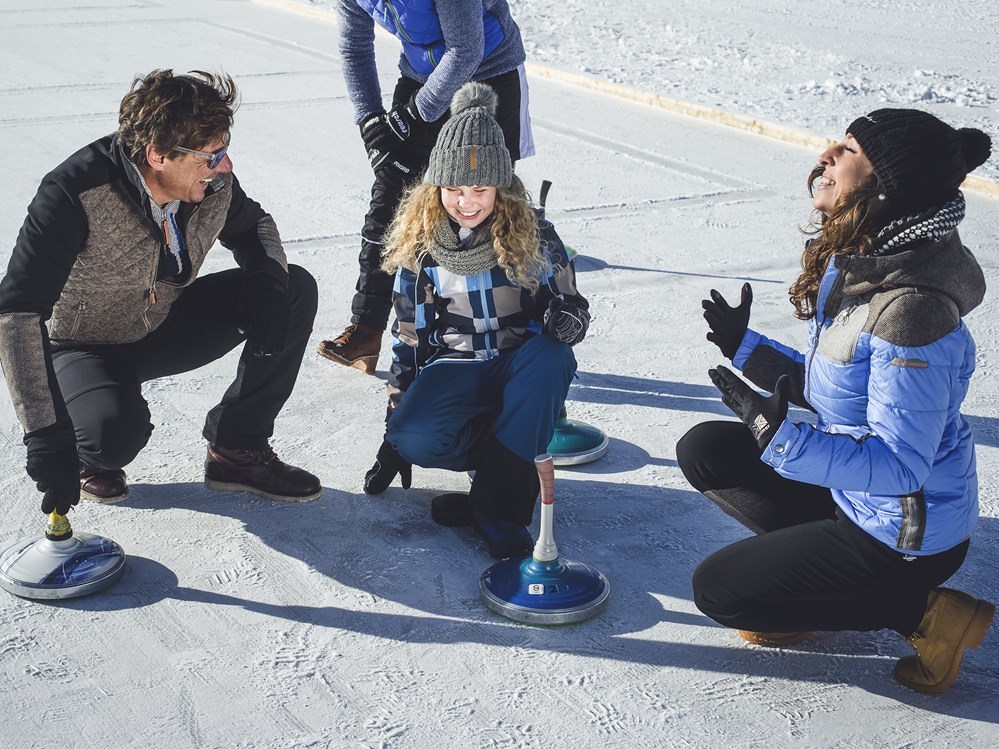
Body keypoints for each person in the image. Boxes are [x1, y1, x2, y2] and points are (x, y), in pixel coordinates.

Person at [676, 109, 994, 694]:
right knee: (707, 449)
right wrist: (747, 349)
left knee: (721, 594)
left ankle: (923, 614)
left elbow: (901, 467)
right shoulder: (866, 261)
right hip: (858, 497)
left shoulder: (913, 310)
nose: (824, 154)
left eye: (847, 149)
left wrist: (781, 438)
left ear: (885, 186)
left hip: (904, 535)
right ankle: (810, 586)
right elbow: (840, 390)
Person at [0, 69, 322, 518]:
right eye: (212, 156)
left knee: (293, 288)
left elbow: (254, 227)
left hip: (164, 319)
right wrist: (44, 435)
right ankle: (86, 453)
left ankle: (236, 450)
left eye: (224, 151)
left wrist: (267, 283)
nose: (224, 166)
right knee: (113, 438)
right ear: (158, 155)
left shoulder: (211, 183)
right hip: (84, 346)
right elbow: (17, 312)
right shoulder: (75, 194)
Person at [361, 82, 586, 558]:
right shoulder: (420, 248)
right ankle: (505, 463)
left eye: (480, 188)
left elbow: (572, 304)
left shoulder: (535, 234)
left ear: (501, 187)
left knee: (552, 356)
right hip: (456, 367)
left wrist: (568, 320)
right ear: (435, 187)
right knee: (413, 436)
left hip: (518, 367)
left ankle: (497, 509)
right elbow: (407, 341)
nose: (466, 201)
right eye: (453, 188)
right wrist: (390, 434)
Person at [317, 0, 535, 375]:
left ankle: (511, 340)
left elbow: (467, 48)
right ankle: (366, 330)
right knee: (389, 202)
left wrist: (412, 116)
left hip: (488, 76)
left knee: (481, 211)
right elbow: (354, 48)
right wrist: (370, 122)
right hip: (421, 80)